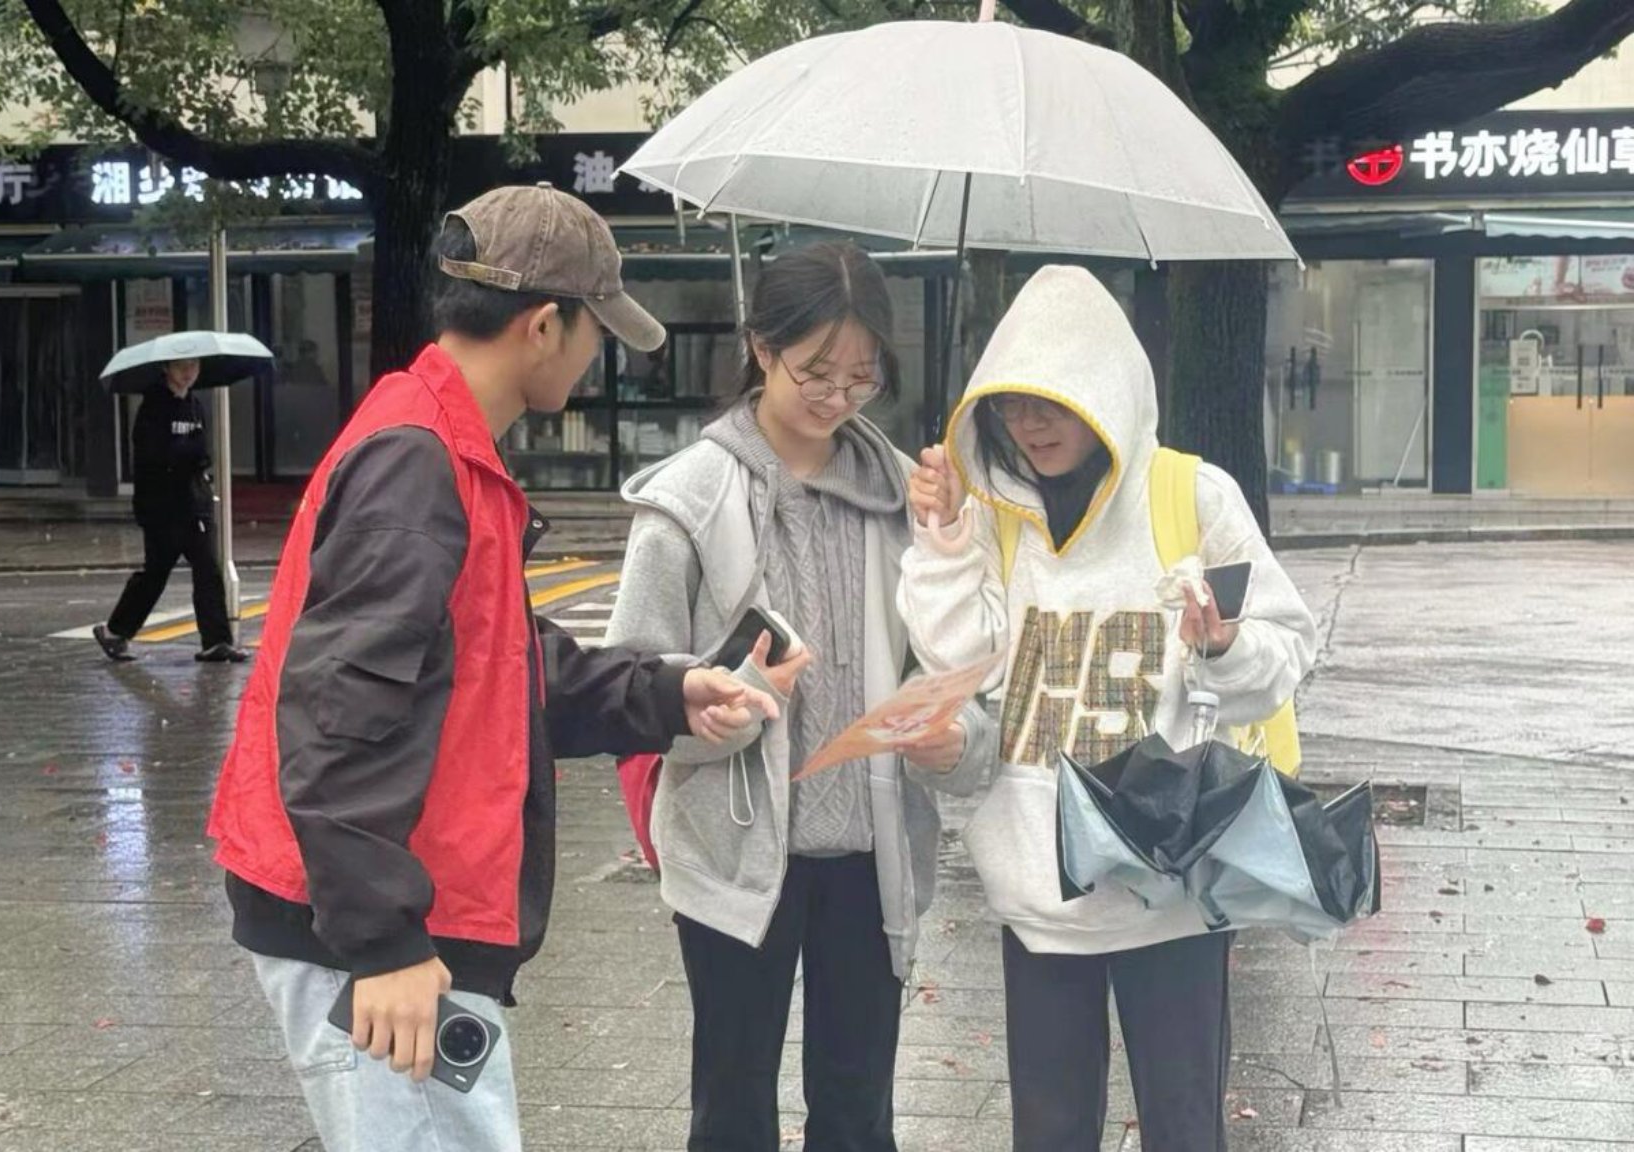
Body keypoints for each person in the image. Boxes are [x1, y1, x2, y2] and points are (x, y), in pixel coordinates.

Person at [205, 184, 779, 1152]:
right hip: (372, 925)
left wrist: (667, 693)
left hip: (382, 907)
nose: (595, 361)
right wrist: (385, 943)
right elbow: (339, 708)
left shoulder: (434, 440)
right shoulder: (418, 465)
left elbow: (498, 665)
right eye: (595, 333)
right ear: (544, 326)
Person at [897, 265, 1319, 1152]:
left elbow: (1285, 650)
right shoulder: (993, 514)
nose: (1031, 424)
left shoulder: (1191, 495)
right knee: (1048, 1133)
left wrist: (1221, 647)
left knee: (1183, 1128)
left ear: (1106, 390)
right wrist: (942, 539)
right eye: (1012, 405)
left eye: (1054, 401)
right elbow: (957, 663)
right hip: (1039, 889)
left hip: (1172, 882)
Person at [604, 241, 993, 1152]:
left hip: (873, 849)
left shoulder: (906, 495)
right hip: (736, 850)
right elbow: (626, 686)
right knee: (733, 1109)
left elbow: (961, 658)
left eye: (862, 375)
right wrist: (724, 701)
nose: (838, 395)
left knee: (858, 1113)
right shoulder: (691, 498)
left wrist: (957, 731)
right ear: (761, 347)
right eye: (816, 370)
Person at [93, 357, 246, 663]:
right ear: (167, 369)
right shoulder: (153, 407)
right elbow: (156, 454)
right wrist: (187, 452)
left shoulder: (194, 405)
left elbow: (201, 452)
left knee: (207, 568)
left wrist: (193, 458)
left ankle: (216, 641)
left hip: (193, 504)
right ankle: (115, 631)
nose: (188, 373)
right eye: (181, 367)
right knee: (156, 573)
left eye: (194, 367)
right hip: (162, 507)